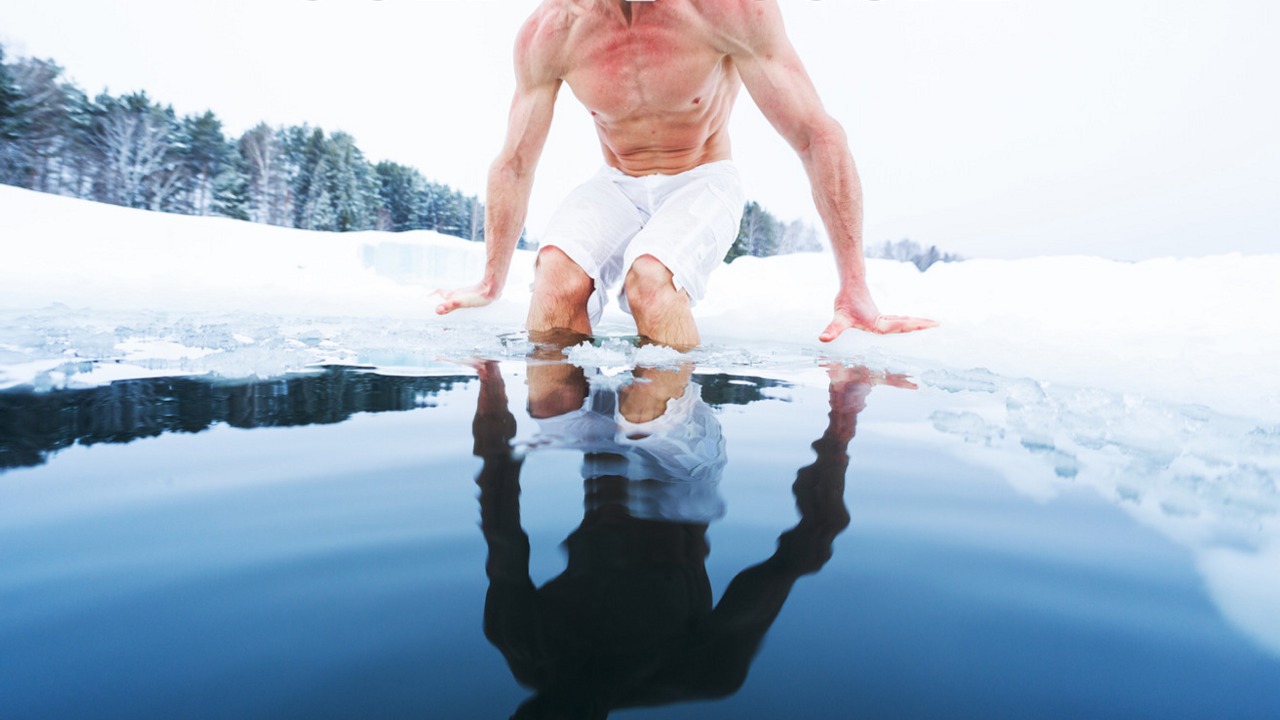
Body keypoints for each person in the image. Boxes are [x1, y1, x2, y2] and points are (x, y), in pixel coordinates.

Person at [435, 0, 936, 348]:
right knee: (554, 277)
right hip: (617, 181)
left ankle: (670, 450)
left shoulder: (726, 10)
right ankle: (578, 438)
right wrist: (491, 280)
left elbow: (816, 136)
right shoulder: (551, 31)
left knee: (651, 282)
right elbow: (515, 163)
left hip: (702, 177)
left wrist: (854, 285)